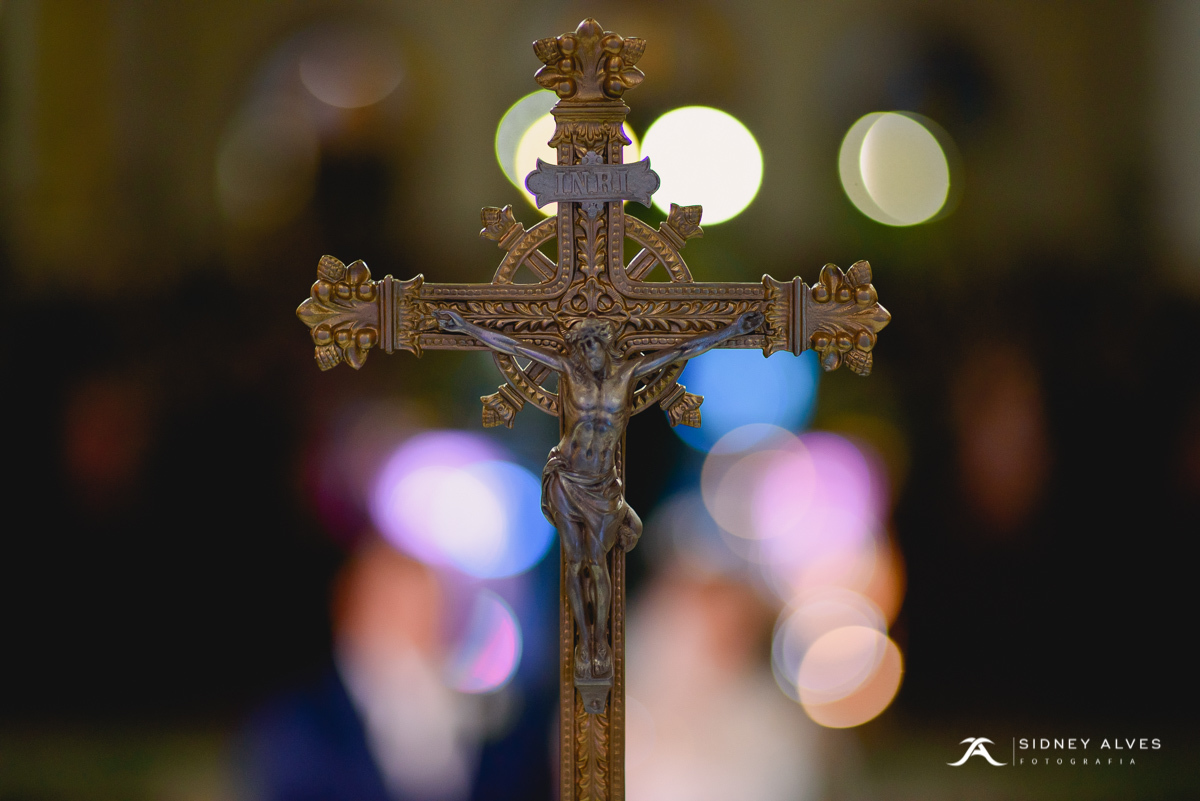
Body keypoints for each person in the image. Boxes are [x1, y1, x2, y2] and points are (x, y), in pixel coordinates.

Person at [433, 308, 764, 681]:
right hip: (568, 485)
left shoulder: (628, 380)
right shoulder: (568, 375)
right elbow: (508, 343)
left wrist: (733, 328)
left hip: (609, 492)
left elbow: (679, 350)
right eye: (586, 343)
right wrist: (464, 325)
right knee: (571, 576)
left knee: (604, 574)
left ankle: (597, 651)